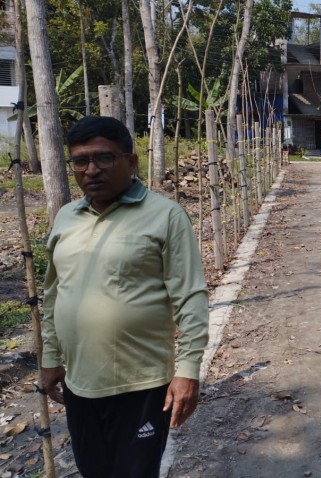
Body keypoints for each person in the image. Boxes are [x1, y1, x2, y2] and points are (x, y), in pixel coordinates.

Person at [40, 116, 210, 478]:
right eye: (80, 161)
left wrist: (189, 370)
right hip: (79, 384)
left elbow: (190, 295)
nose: (91, 170)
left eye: (104, 158)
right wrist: (51, 356)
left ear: (131, 162)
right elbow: (55, 292)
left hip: (142, 385)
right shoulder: (67, 217)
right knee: (93, 471)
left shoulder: (165, 216)